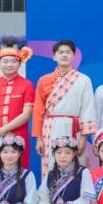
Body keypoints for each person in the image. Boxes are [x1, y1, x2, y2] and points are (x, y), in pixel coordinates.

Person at [34, 39, 96, 175]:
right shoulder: (44, 80)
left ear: (74, 56)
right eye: (60, 52)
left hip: (73, 128)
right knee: (51, 164)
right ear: (54, 56)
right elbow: (38, 111)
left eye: (68, 52)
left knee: (75, 165)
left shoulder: (83, 80)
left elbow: (87, 108)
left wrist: (83, 138)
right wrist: (39, 139)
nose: (64, 55)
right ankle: (50, 189)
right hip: (50, 128)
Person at [0, 45, 35, 171]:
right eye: (5, 61)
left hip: (18, 136)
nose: (9, 64)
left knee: (20, 171)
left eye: (14, 61)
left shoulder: (27, 85)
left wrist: (3, 130)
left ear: (19, 64)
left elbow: (26, 114)